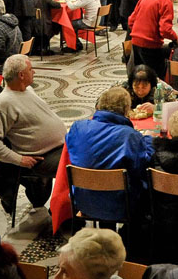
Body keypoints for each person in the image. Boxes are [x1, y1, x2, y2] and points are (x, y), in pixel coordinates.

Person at [0, 54, 66, 217]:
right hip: (43, 157)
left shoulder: (28, 90)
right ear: (21, 75)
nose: (34, 72)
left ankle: (64, 209)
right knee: (76, 166)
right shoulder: (2, 104)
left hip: (58, 146)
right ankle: (63, 212)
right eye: (30, 69)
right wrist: (19, 159)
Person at [64, 85, 154, 225]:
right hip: (121, 206)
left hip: (83, 201)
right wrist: (147, 140)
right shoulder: (129, 136)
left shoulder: (78, 127)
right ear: (126, 110)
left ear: (99, 106)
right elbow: (141, 167)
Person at [128, 0, 178, 79]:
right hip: (150, 44)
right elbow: (165, 30)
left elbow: (131, 20)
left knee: (139, 75)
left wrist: (138, 33)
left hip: (136, 42)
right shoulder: (166, 2)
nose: (174, 1)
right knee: (154, 77)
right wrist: (176, 39)